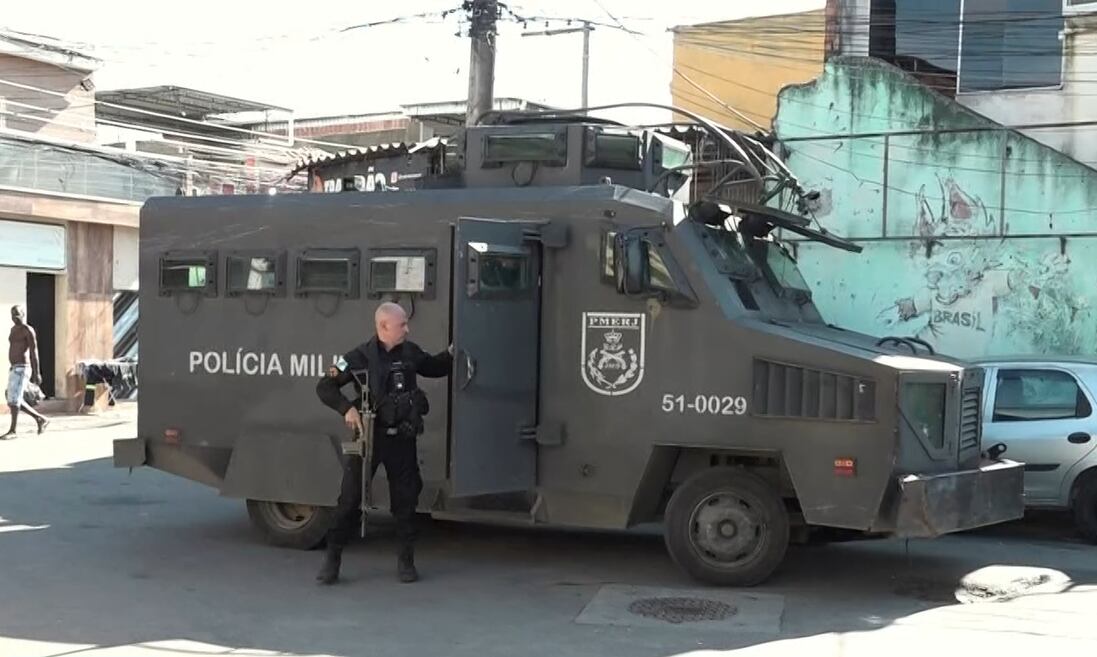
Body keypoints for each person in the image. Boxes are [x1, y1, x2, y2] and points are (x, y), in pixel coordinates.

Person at [314, 302, 452, 585]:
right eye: (402, 324)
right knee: (349, 500)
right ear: (384, 326)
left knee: (406, 501)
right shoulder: (358, 357)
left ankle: (406, 561)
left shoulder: (410, 353)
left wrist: (452, 352)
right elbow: (324, 386)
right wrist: (347, 409)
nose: (407, 329)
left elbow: (435, 367)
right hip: (369, 438)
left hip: (402, 439)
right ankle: (332, 560)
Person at [4, 305, 48, 439]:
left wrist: (37, 372)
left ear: (23, 314)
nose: (14, 317)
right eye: (12, 315)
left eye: (17, 314)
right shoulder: (13, 329)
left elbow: (34, 352)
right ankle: (40, 419)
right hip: (14, 367)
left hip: (23, 368)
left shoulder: (27, 330)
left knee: (14, 399)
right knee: (12, 399)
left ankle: (13, 431)